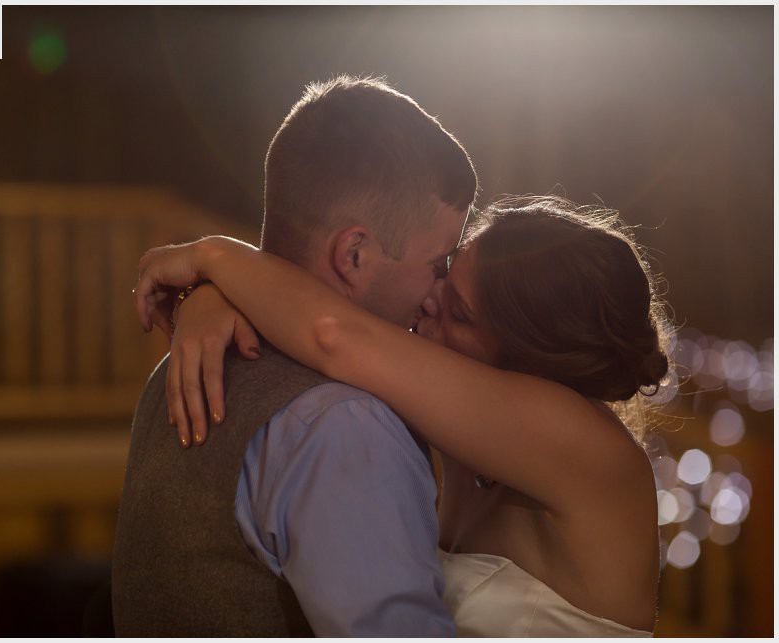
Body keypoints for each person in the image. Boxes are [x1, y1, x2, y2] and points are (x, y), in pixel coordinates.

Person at [133, 195, 668, 636]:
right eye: (443, 275)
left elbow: (335, 336)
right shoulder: (468, 437)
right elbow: (327, 319)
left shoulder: (580, 443)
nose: (429, 299)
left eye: (458, 312)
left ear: (532, 355)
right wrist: (212, 299)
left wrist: (214, 258)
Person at [112, 75, 477, 636]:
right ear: (353, 254)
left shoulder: (178, 364)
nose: (440, 293)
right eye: (439, 264)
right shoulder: (343, 424)